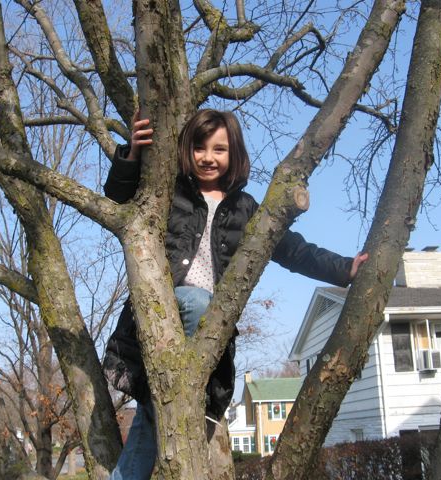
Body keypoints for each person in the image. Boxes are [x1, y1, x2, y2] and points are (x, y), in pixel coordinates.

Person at [103, 109, 368, 479]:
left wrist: (343, 268)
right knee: (196, 302)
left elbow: (291, 249)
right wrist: (132, 154)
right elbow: (119, 196)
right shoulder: (170, 190)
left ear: (235, 155)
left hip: (204, 333)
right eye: (199, 147)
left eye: (219, 149)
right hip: (164, 310)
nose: (208, 157)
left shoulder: (245, 209)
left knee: (157, 410)